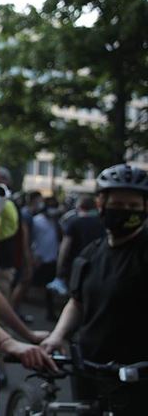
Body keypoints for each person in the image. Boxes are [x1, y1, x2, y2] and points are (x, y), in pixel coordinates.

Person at [41, 164, 148, 414]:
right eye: (117, 204)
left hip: (137, 376)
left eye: (133, 206)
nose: (125, 211)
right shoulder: (91, 253)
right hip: (88, 369)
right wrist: (57, 336)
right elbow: (76, 302)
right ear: (100, 204)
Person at [47, 193, 104, 294]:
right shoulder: (102, 223)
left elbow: (64, 249)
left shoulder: (73, 222)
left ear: (79, 206)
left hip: (76, 268)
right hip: (98, 266)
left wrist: (59, 273)